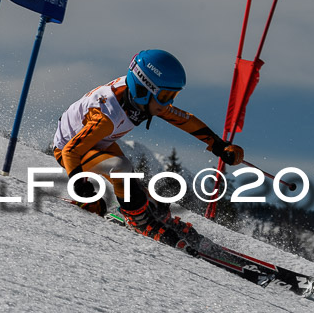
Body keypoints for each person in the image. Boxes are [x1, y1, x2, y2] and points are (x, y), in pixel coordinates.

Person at [53, 49, 244, 253]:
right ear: (143, 90)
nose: (168, 103)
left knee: (143, 195)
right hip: (70, 149)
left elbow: (184, 119)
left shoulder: (142, 99)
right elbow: (70, 151)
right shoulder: (108, 116)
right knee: (121, 168)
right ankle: (138, 220)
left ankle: (155, 214)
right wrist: (82, 189)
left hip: (99, 143)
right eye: (165, 96)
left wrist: (218, 145)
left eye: (172, 96)